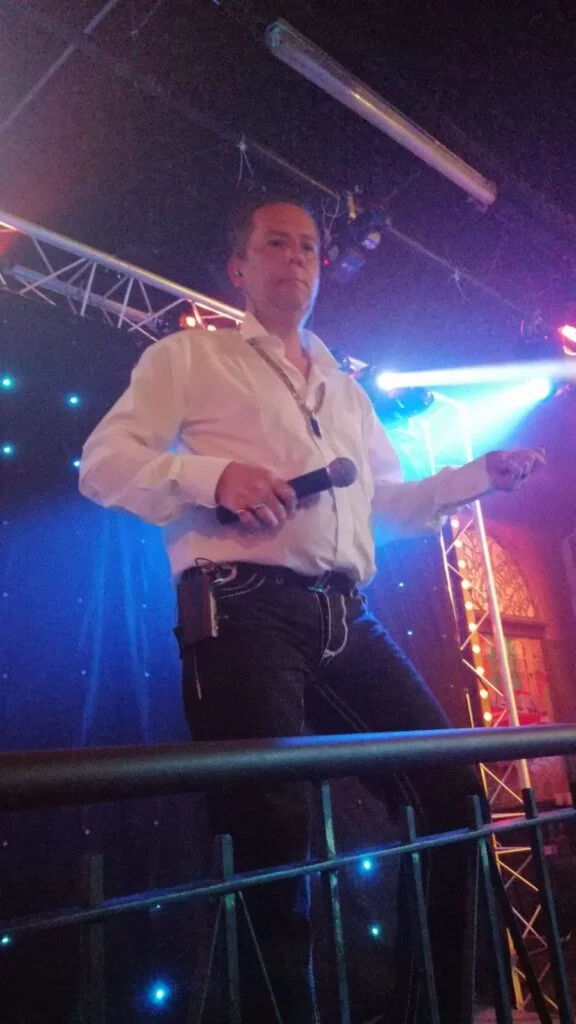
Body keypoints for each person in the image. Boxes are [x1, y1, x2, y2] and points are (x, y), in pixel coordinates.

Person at [79, 197, 544, 1024]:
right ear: (238, 266)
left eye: (308, 247)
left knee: (453, 792)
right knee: (269, 827)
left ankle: (432, 1010)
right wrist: (212, 477)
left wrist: (479, 475)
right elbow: (104, 463)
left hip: (344, 616)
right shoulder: (189, 356)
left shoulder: (344, 389)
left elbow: (386, 505)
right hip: (242, 608)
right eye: (276, 243)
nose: (296, 257)